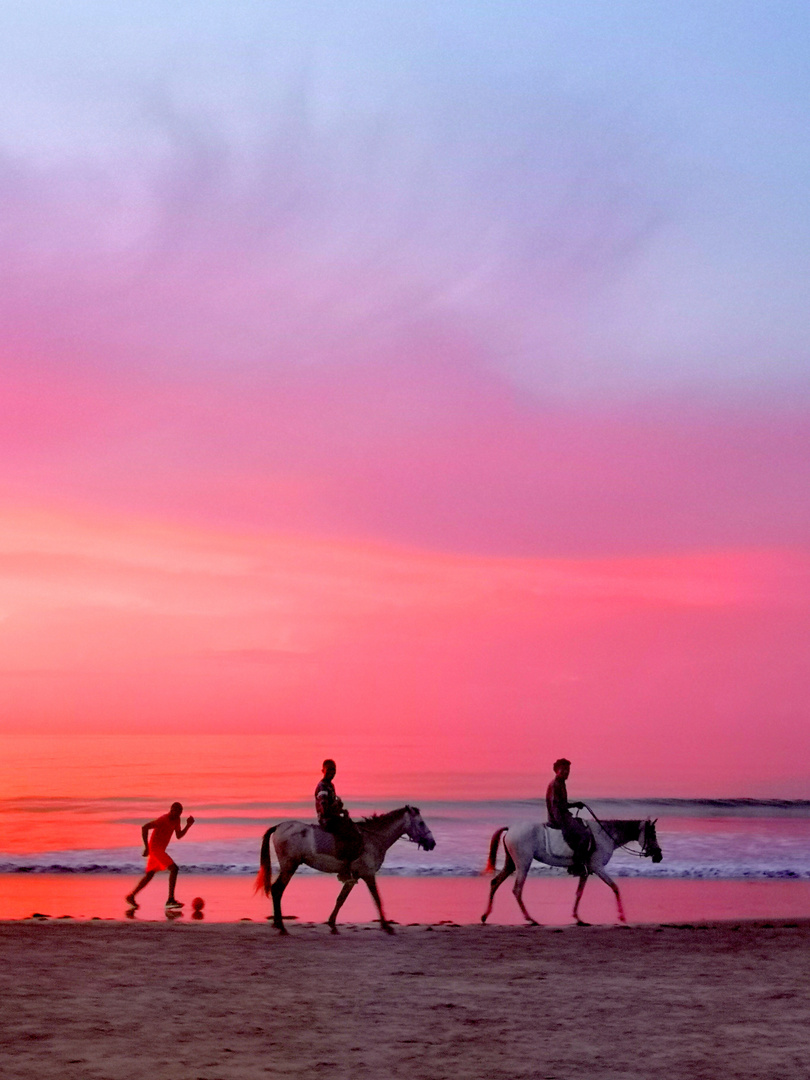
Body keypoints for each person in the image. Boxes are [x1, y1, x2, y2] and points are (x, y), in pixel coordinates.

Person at [125, 802, 195, 909]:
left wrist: (188, 825)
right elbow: (144, 828)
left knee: (149, 875)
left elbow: (179, 835)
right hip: (155, 849)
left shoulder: (177, 820)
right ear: (171, 810)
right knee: (174, 869)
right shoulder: (162, 820)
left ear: (180, 814)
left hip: (160, 849)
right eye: (174, 811)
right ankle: (170, 899)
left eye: (178, 813)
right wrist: (147, 847)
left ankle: (131, 896)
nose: (176, 814)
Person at [315, 759, 362, 880]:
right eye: (329, 770)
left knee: (354, 829)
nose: (332, 772)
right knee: (349, 835)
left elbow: (333, 805)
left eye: (334, 770)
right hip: (327, 819)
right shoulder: (322, 787)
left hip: (333, 816)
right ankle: (344, 869)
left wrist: (341, 810)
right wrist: (337, 807)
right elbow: (325, 809)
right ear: (323, 770)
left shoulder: (331, 786)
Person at [546, 758, 594, 876]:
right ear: (556, 770)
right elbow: (555, 806)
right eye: (563, 769)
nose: (566, 772)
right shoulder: (556, 784)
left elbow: (562, 804)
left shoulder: (561, 783)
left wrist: (575, 804)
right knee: (585, 835)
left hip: (563, 815)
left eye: (568, 770)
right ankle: (576, 866)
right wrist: (563, 822)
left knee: (582, 824)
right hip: (559, 817)